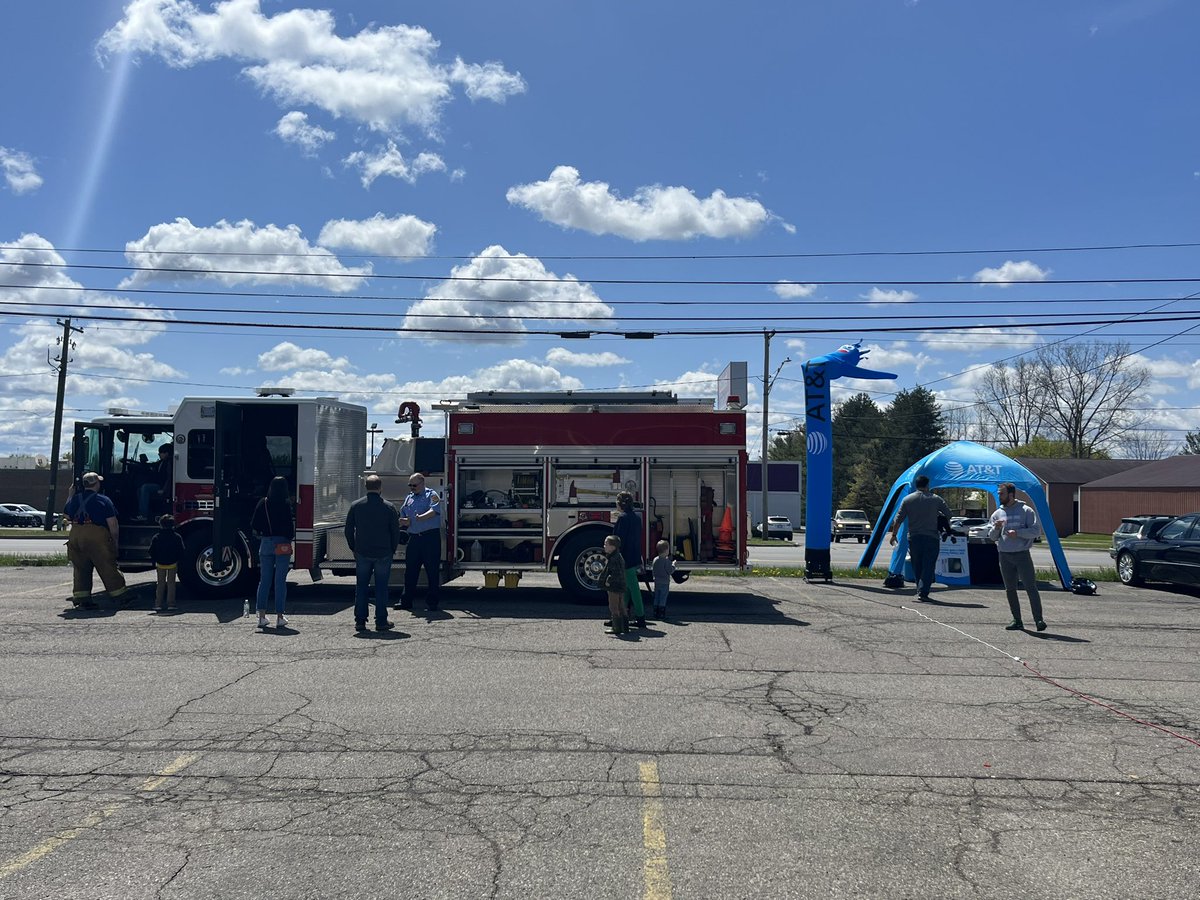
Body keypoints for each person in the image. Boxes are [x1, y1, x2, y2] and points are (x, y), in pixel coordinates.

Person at [345, 474, 402, 633]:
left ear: (366, 487)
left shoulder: (356, 506)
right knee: (381, 587)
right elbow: (395, 531)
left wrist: (353, 548)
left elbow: (348, 530)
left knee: (361, 586)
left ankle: (360, 621)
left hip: (362, 551)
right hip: (383, 552)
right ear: (380, 488)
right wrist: (392, 549)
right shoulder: (389, 507)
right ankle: (381, 621)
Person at [64, 472, 129, 609]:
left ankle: (82, 599)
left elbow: (67, 514)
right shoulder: (104, 500)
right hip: (95, 537)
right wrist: (115, 543)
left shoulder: (75, 499)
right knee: (107, 566)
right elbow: (113, 524)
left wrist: (70, 494)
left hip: (75, 535)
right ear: (97, 484)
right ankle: (120, 597)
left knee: (81, 569)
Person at [990, 482, 1046, 632]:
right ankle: (1017, 620)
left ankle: (1038, 619)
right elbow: (992, 537)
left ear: (1011, 494)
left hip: (1022, 555)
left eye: (1001, 493)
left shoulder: (1026, 510)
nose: (999, 496)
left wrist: (1019, 533)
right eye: (999, 493)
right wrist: (996, 528)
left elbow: (1036, 531)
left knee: (1030, 587)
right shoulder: (997, 514)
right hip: (1004, 555)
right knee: (1010, 589)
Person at [888, 474, 951, 602]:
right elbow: (948, 514)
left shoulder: (907, 500)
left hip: (914, 537)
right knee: (929, 564)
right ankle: (923, 591)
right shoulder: (936, 499)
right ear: (927, 485)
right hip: (931, 537)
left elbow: (898, 520)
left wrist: (894, 535)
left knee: (917, 564)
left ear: (916, 485)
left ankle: (919, 588)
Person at [251, 476, 294, 630]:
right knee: (280, 581)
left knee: (264, 580)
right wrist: (289, 538)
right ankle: (280, 617)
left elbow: (254, 523)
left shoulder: (263, 503)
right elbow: (290, 527)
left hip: (266, 542)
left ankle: (261, 616)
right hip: (282, 543)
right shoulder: (286, 504)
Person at [399, 472, 441, 612]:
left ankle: (432, 602)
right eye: (410, 485)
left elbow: (434, 511)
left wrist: (421, 517)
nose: (412, 488)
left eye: (414, 485)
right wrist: (403, 521)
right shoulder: (409, 498)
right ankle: (406, 601)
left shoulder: (432, 494)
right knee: (410, 571)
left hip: (430, 538)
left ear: (422, 483)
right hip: (414, 538)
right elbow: (403, 513)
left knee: (432, 571)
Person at [612, 491, 646, 626]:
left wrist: (614, 555)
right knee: (626, 589)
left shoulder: (622, 518)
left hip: (625, 558)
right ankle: (621, 616)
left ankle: (640, 617)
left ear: (620, 504)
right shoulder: (637, 518)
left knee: (633, 589)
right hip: (634, 556)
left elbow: (618, 539)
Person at [148, 514, 185, 613]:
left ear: (160, 524)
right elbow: (181, 550)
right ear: (173, 525)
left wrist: (155, 559)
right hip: (172, 563)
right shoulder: (177, 537)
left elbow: (151, 550)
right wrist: (177, 559)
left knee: (160, 584)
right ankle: (171, 604)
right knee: (171, 584)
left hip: (160, 564)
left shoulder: (156, 537)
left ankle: (158, 604)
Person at [600, 535, 628, 636]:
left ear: (613, 547)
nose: (604, 546)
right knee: (621, 605)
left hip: (614, 586)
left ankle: (616, 627)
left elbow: (615, 572)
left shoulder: (613, 558)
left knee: (613, 606)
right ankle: (625, 626)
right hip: (621, 585)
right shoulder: (618, 556)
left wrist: (608, 581)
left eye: (606, 544)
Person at [137, 444, 173, 521]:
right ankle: (146, 512)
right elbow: (151, 465)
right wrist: (142, 463)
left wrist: (164, 489)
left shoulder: (169, 463)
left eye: (160, 453)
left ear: (166, 453)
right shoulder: (161, 462)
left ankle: (143, 515)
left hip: (162, 486)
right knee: (139, 489)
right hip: (159, 484)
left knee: (145, 487)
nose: (159, 454)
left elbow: (169, 478)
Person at [651, 539, 676, 619]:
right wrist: (673, 565)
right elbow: (670, 571)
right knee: (663, 597)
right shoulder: (666, 561)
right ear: (666, 551)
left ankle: (655, 612)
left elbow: (653, 570)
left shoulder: (655, 559)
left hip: (657, 582)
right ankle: (661, 614)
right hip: (665, 582)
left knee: (657, 597)